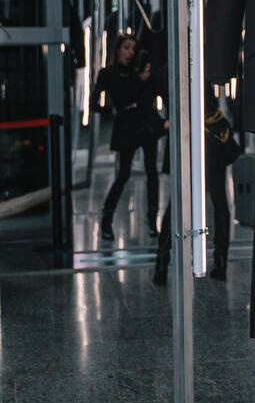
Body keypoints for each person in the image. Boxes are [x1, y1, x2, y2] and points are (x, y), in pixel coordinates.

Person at [153, 91, 239, 287]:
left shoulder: (174, 70)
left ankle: (161, 264)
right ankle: (220, 263)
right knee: (219, 203)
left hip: (190, 144)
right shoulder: (205, 68)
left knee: (176, 206)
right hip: (211, 146)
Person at [95, 37, 162, 242]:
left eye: (133, 48)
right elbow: (93, 103)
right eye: (126, 48)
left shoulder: (138, 72)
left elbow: (148, 96)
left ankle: (152, 223)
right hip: (126, 125)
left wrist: (144, 80)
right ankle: (106, 221)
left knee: (152, 173)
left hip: (145, 123)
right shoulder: (107, 74)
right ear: (117, 49)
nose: (130, 52)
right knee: (123, 174)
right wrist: (112, 110)